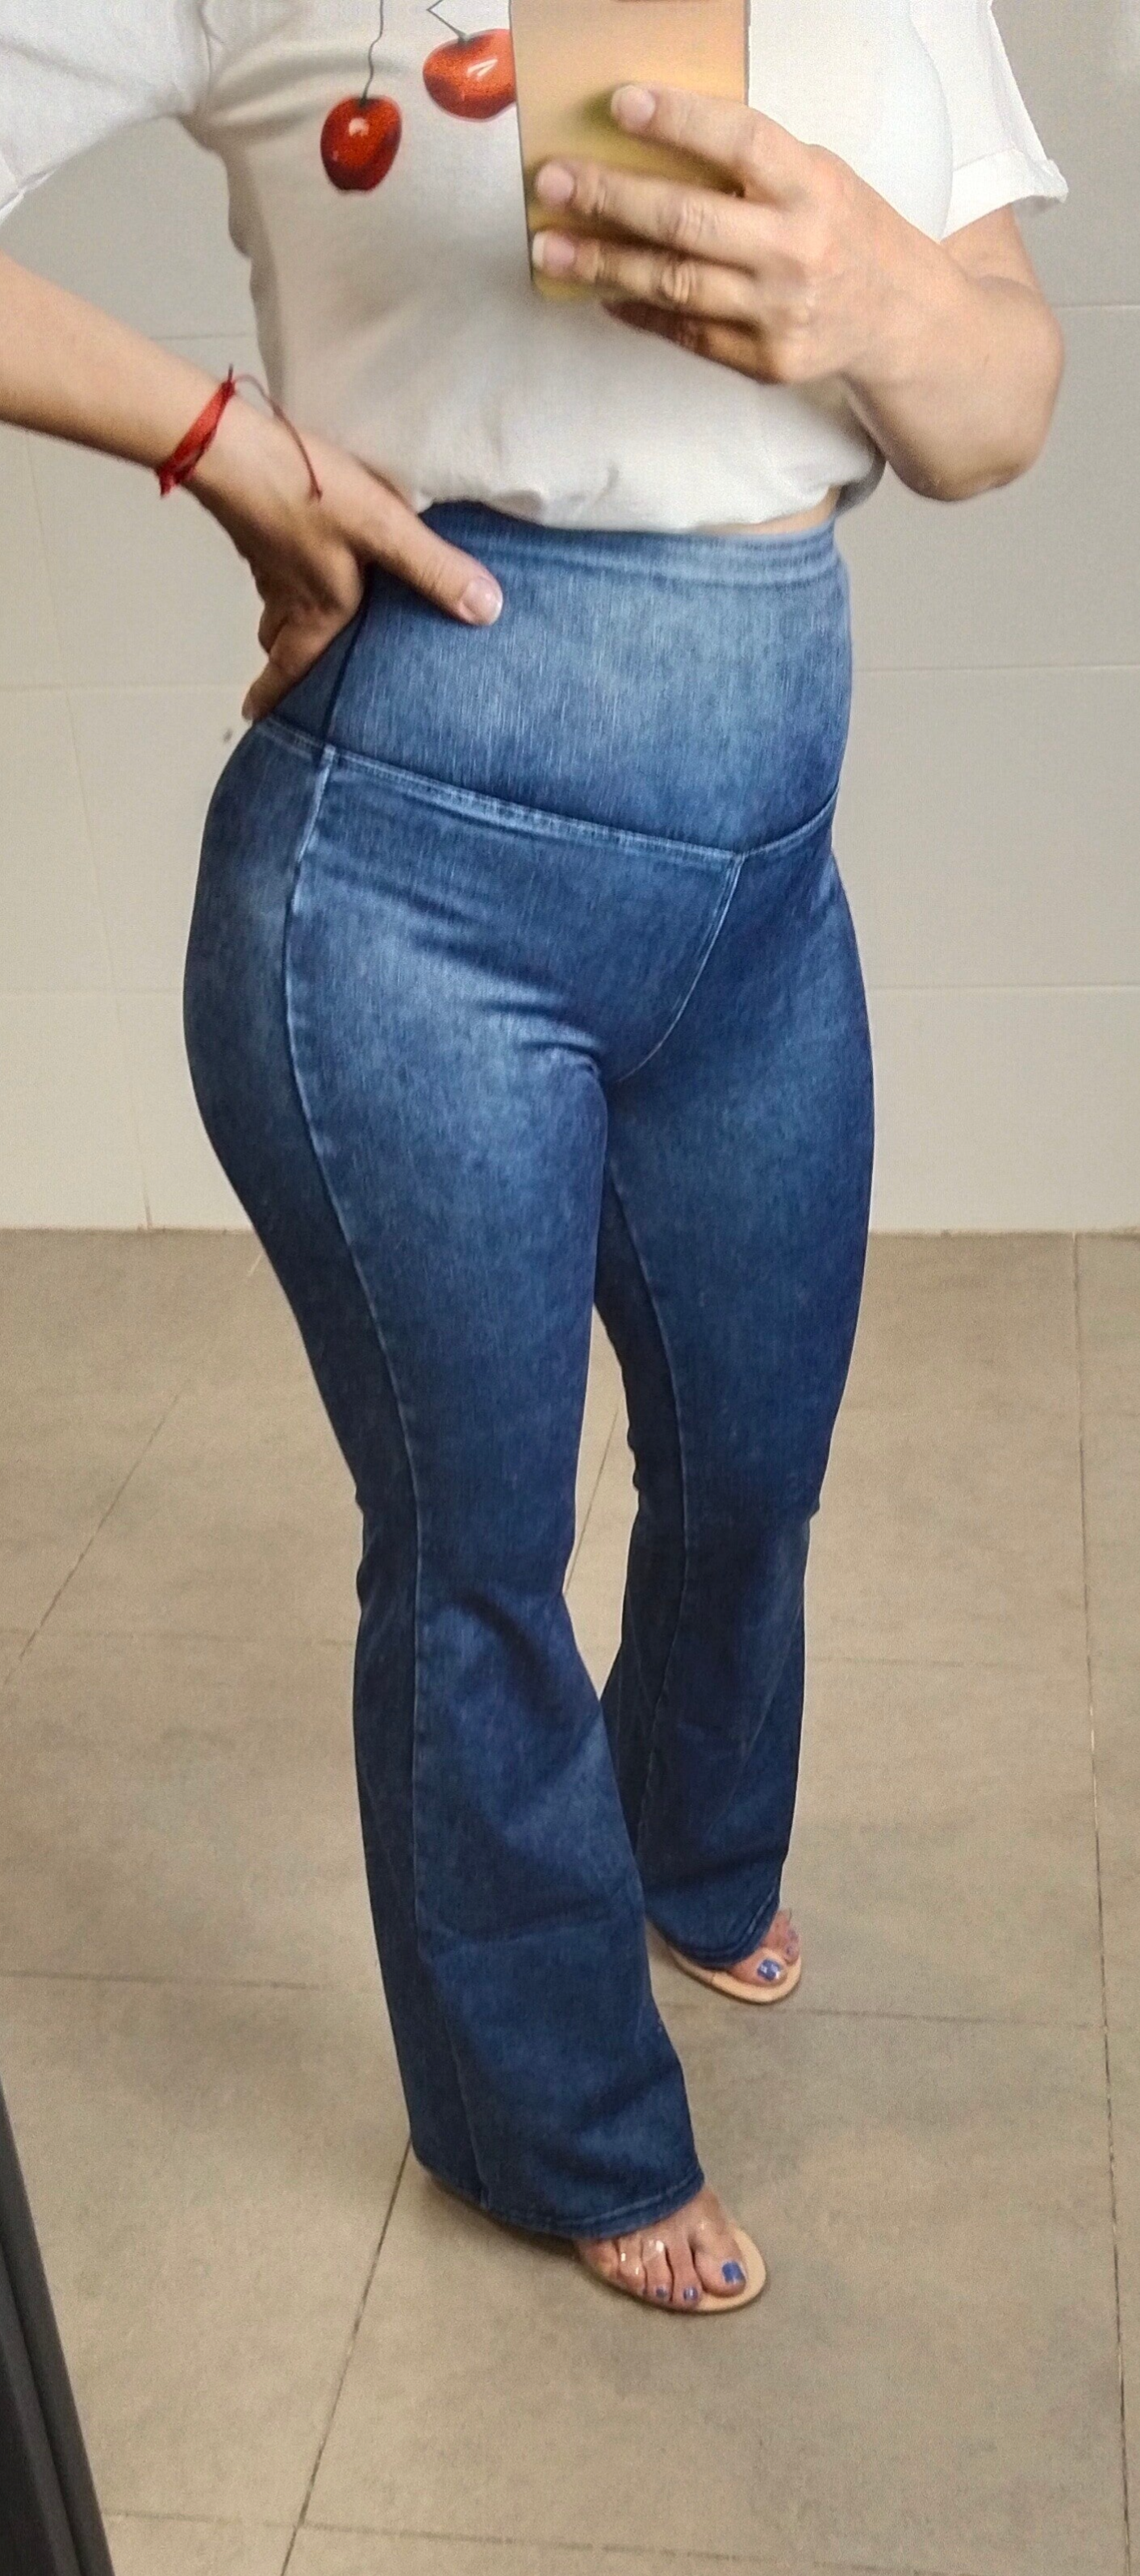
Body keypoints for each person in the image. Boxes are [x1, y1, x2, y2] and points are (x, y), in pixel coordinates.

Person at [0, 1, 1065, 2316]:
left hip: (762, 895)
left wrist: (884, 304)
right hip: (400, 891)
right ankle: (549, 2125)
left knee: (753, 1457)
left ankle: (691, 1859)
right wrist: (216, 440)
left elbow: (1000, 401)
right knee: (477, 1552)